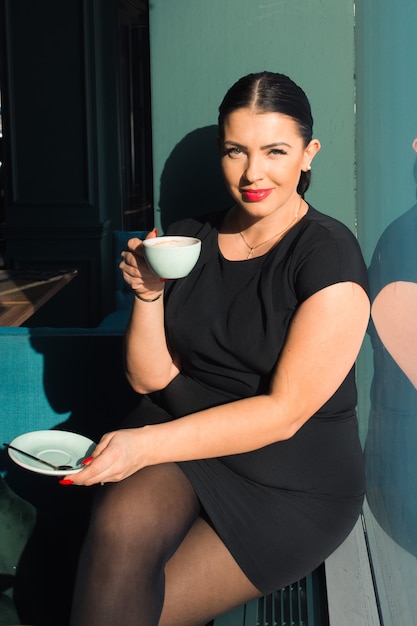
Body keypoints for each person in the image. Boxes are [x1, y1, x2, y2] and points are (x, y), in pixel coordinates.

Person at [65, 71, 370, 626]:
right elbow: (148, 378)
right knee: (121, 523)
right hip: (187, 441)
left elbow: (284, 415)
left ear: (308, 154)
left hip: (288, 481)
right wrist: (148, 294)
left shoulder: (329, 257)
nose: (254, 173)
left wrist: (143, 446)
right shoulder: (188, 237)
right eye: (237, 151)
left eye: (275, 151)